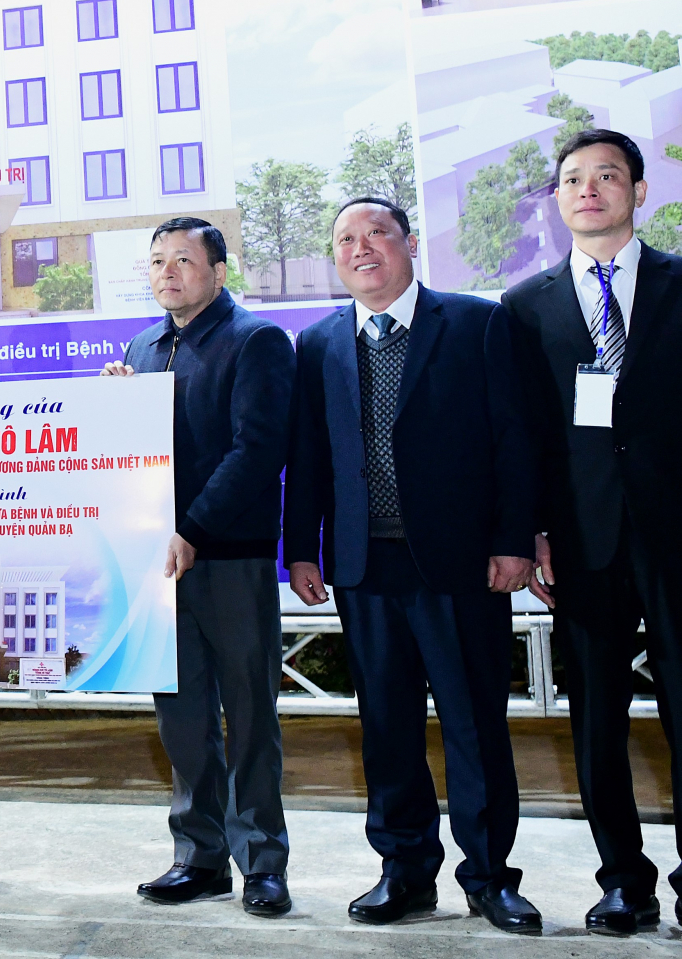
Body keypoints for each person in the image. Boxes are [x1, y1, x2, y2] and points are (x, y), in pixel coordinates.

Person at [284, 198, 540, 934]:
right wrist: (303, 546)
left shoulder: (475, 322)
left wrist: (513, 539)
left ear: (409, 243)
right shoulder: (321, 342)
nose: (362, 248)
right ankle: (404, 870)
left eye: (377, 234)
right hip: (366, 568)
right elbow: (309, 455)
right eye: (346, 240)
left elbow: (512, 439)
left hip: (462, 565)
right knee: (387, 728)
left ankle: (491, 876)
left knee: (473, 726)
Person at [503, 129, 682, 936]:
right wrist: (529, 529)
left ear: (639, 190)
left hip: (677, 535)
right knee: (598, 721)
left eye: (607, 175)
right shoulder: (524, 306)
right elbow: (521, 436)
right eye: (573, 178)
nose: (589, 189)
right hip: (580, 539)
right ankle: (624, 883)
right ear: (558, 198)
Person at [101, 218, 295, 917]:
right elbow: (132, 455)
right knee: (182, 719)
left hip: (230, 559)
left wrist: (194, 528)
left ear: (219, 268)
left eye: (184, 259)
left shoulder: (257, 340)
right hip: (160, 565)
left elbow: (256, 450)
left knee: (248, 714)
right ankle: (199, 855)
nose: (168, 271)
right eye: (157, 260)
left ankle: (262, 862)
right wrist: (114, 408)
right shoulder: (141, 348)